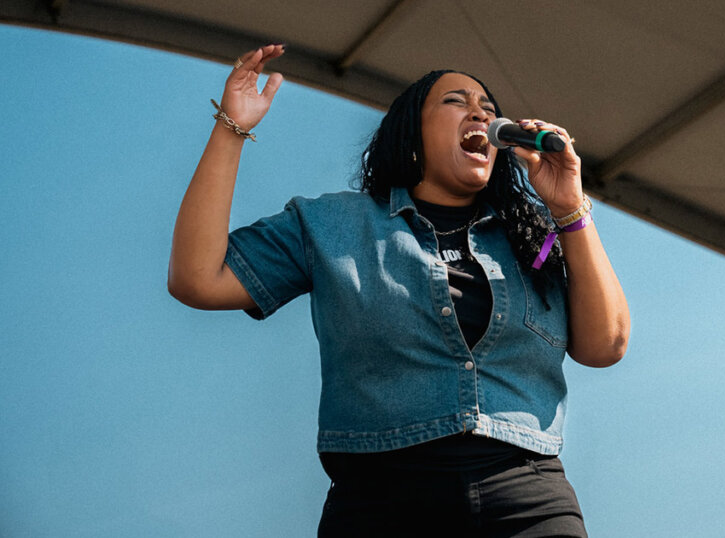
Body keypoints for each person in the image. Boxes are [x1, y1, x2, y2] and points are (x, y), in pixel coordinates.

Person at [168, 44, 630, 537]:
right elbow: (197, 279)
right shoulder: (329, 224)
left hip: (527, 496)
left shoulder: (529, 238)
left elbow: (606, 345)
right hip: (381, 500)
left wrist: (568, 207)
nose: (480, 112)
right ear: (413, 137)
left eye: (489, 110)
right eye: (456, 101)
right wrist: (231, 128)